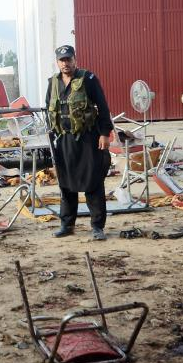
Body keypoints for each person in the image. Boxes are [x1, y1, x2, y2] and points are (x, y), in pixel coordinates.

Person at [45, 45, 113, 241]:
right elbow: (49, 110)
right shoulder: (53, 83)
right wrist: (51, 138)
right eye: (62, 60)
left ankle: (97, 227)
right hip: (63, 140)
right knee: (66, 184)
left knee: (93, 182)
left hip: (87, 139)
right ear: (57, 62)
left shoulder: (88, 79)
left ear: (75, 59)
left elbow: (103, 107)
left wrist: (104, 134)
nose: (65, 63)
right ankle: (67, 225)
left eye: (68, 59)